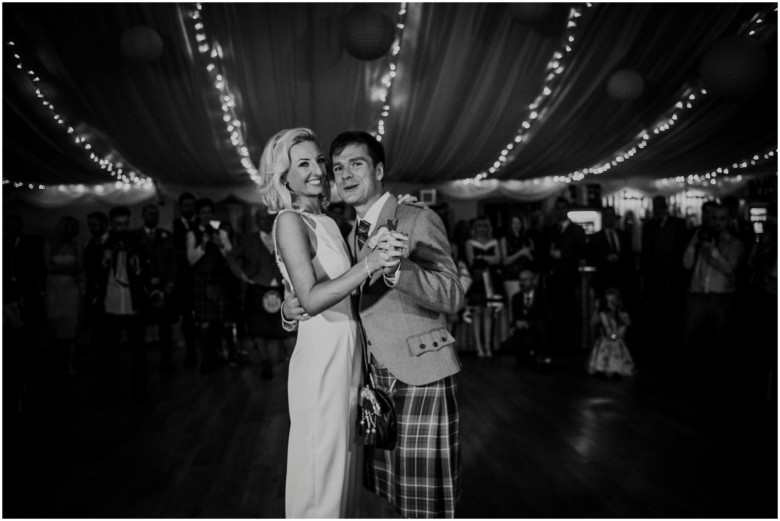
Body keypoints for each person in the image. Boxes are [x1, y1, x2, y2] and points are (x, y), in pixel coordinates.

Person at [284, 130, 464, 518]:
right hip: (370, 380)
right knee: (395, 495)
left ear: (379, 170)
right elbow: (332, 292)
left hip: (421, 372)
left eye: (357, 164)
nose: (345, 175)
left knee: (424, 502)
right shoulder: (346, 233)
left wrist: (401, 271)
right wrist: (289, 307)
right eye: (338, 168)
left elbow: (452, 293)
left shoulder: (417, 216)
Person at [260, 128, 404, 518]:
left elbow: (329, 294)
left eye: (320, 160)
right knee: (319, 471)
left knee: (342, 471)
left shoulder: (327, 222)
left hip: (348, 355)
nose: (318, 170)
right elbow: (309, 298)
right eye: (302, 163)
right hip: (322, 359)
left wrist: (394, 217)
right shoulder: (290, 221)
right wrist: (368, 264)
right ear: (283, 177)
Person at [680, 203, 744, 387]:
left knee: (719, 339)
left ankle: (717, 380)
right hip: (698, 294)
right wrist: (694, 244)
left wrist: (713, 251)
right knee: (690, 337)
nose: (717, 222)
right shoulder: (700, 236)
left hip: (721, 296)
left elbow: (729, 268)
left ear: (728, 220)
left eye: (722, 219)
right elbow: (686, 264)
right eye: (714, 218)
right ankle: (688, 378)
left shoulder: (735, 243)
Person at [227, 206, 291, 379]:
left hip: (281, 287)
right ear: (256, 220)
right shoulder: (247, 240)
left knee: (286, 327)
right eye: (263, 218)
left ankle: (289, 362)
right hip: (256, 288)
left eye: (271, 218)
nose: (267, 221)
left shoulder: (284, 236)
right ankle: (265, 363)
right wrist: (242, 275)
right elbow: (231, 257)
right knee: (258, 328)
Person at [95, 206, 151, 403]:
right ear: (112, 224)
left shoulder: (138, 244)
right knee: (108, 352)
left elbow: (145, 270)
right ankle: (107, 390)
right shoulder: (102, 245)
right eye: (119, 224)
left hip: (133, 303)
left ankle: (140, 390)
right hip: (110, 304)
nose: (123, 227)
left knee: (139, 351)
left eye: (126, 223)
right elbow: (95, 272)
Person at [186, 198, 233, 374]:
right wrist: (203, 244)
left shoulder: (220, 231)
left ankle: (220, 355)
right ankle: (205, 360)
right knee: (203, 323)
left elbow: (229, 253)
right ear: (198, 214)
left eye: (209, 212)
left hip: (219, 280)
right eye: (203, 212)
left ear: (213, 214)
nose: (206, 215)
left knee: (220, 322)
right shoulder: (192, 234)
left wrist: (219, 243)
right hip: (201, 280)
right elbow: (190, 260)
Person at [135, 203, 177, 376]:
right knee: (140, 326)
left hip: (164, 286)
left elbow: (173, 261)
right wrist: (143, 286)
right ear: (143, 216)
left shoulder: (166, 236)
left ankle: (166, 359)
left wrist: (170, 283)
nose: (154, 217)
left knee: (165, 327)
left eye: (156, 214)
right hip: (144, 288)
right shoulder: (135, 236)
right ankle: (141, 360)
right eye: (150, 214)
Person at [544, 196, 586, 353]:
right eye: (558, 208)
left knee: (569, 311)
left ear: (568, 209)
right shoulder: (551, 230)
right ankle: (556, 345)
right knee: (554, 312)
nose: (560, 211)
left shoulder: (577, 231)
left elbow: (582, 253)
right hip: (553, 278)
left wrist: (562, 255)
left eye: (563, 208)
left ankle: (569, 346)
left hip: (569, 278)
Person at [43, 216, 83, 376]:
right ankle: (58, 363)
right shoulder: (49, 244)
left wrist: (59, 268)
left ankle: (70, 363)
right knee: (55, 327)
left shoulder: (77, 246)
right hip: (54, 289)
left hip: (71, 289)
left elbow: (80, 266)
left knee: (71, 326)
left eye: (76, 227)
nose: (74, 230)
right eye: (72, 227)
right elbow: (47, 267)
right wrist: (68, 268)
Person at [465, 215, 502, 358]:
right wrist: (487, 259)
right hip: (477, 279)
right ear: (475, 228)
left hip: (491, 280)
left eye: (485, 225)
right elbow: (471, 261)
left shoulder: (494, 241)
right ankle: (479, 346)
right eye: (480, 225)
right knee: (477, 312)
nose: (482, 228)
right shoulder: (470, 242)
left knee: (489, 312)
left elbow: (498, 259)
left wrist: (481, 258)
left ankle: (487, 346)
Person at [500, 214, 535, 343]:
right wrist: (520, 253)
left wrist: (529, 253)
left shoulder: (527, 239)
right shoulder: (505, 240)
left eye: (519, 222)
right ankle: (513, 334)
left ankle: (527, 335)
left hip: (526, 276)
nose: (517, 225)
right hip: (511, 277)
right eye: (514, 223)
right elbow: (504, 261)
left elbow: (532, 260)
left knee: (528, 306)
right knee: (515, 305)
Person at [172, 192, 198, 367]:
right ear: (181, 207)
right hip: (183, 279)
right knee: (187, 319)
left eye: (191, 205)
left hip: (202, 276)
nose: (188, 208)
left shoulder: (205, 221)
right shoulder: (174, 225)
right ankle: (191, 354)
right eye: (185, 205)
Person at [586, 287, 635, 377]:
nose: (610, 304)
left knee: (615, 370)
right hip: (604, 344)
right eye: (608, 301)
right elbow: (592, 323)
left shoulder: (622, 314)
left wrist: (619, 313)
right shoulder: (602, 314)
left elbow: (625, 326)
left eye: (612, 301)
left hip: (617, 344)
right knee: (606, 371)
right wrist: (596, 309)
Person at [509, 268, 551, 371]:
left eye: (525, 280)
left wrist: (530, 323)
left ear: (533, 281)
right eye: (521, 280)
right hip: (523, 331)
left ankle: (542, 358)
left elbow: (548, 316)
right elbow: (515, 318)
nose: (522, 283)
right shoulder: (516, 298)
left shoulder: (543, 296)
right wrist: (517, 322)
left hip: (539, 329)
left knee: (542, 328)